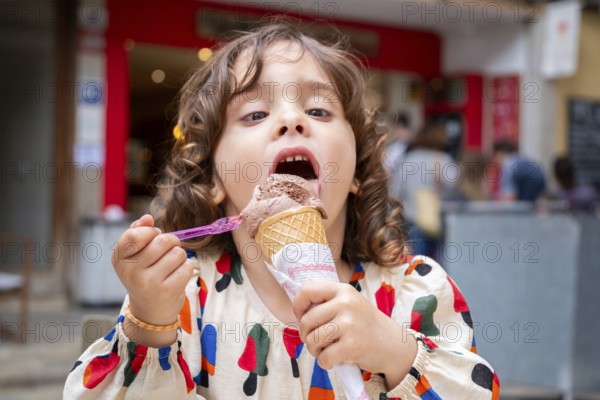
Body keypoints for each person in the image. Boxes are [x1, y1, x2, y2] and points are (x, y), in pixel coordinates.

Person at [64, 23, 498, 399]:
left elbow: (473, 387)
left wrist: (393, 349)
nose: (291, 121)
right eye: (254, 114)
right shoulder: (186, 297)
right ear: (214, 178)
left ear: (357, 172)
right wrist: (150, 322)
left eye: (318, 109)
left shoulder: (413, 290)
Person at [392, 122, 455, 259]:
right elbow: (454, 187)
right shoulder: (442, 159)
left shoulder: (408, 159)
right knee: (440, 263)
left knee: (417, 264)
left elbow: (395, 192)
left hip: (411, 219)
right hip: (438, 219)